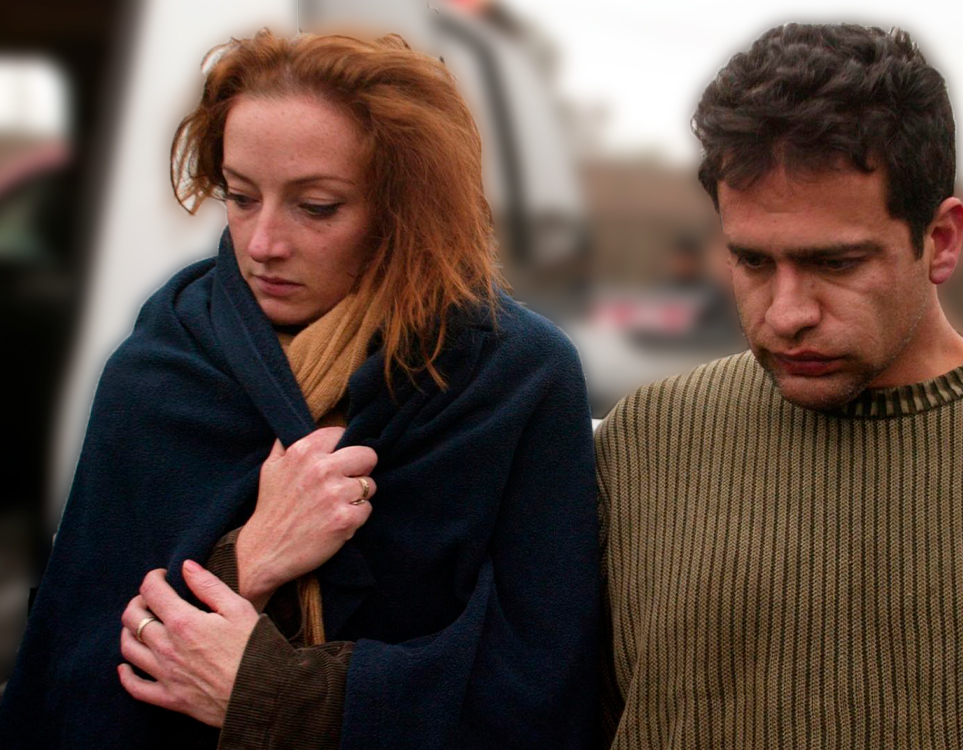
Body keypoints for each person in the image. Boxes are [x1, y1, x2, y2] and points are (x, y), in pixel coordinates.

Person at [0, 29, 599, 749]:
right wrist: (249, 558)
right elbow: (72, 674)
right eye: (240, 196)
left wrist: (281, 696)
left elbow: (541, 688)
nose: (262, 244)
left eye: (316, 206)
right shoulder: (161, 366)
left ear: (408, 209)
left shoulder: (514, 379)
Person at [594, 23, 963, 749]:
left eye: (836, 263)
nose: (787, 313)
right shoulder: (644, 445)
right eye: (752, 261)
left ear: (941, 241)